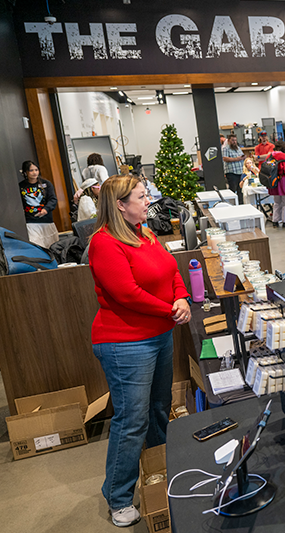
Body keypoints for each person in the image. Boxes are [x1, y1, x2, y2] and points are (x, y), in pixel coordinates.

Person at [87, 174, 191, 527]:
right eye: (142, 197)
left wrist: (181, 297)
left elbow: (170, 270)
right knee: (132, 421)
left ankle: (160, 471)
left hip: (159, 335)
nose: (148, 201)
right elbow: (126, 293)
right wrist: (170, 310)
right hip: (125, 343)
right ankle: (118, 497)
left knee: (158, 408)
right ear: (120, 205)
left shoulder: (145, 232)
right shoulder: (104, 243)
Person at [19, 160, 60, 248]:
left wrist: (46, 209)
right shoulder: (21, 186)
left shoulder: (46, 184)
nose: (34, 172)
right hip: (31, 222)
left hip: (47, 221)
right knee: (37, 246)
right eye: (31, 170)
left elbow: (53, 199)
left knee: (52, 246)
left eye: (36, 170)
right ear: (25, 172)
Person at [221, 133, 245, 204]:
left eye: (235, 140)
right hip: (232, 172)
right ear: (228, 140)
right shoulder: (225, 148)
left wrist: (243, 157)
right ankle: (231, 204)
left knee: (240, 189)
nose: (234, 142)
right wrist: (236, 159)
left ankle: (240, 204)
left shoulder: (238, 148)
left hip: (240, 172)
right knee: (232, 190)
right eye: (233, 140)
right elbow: (225, 158)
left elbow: (241, 156)